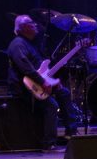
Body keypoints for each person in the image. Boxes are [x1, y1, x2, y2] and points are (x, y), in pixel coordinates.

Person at [7, 14, 68, 149]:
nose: (35, 25)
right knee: (51, 105)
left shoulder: (31, 44)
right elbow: (25, 67)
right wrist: (43, 82)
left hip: (36, 84)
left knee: (64, 93)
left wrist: (52, 81)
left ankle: (71, 133)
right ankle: (48, 143)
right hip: (23, 88)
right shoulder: (18, 44)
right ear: (23, 28)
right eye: (31, 23)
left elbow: (40, 67)